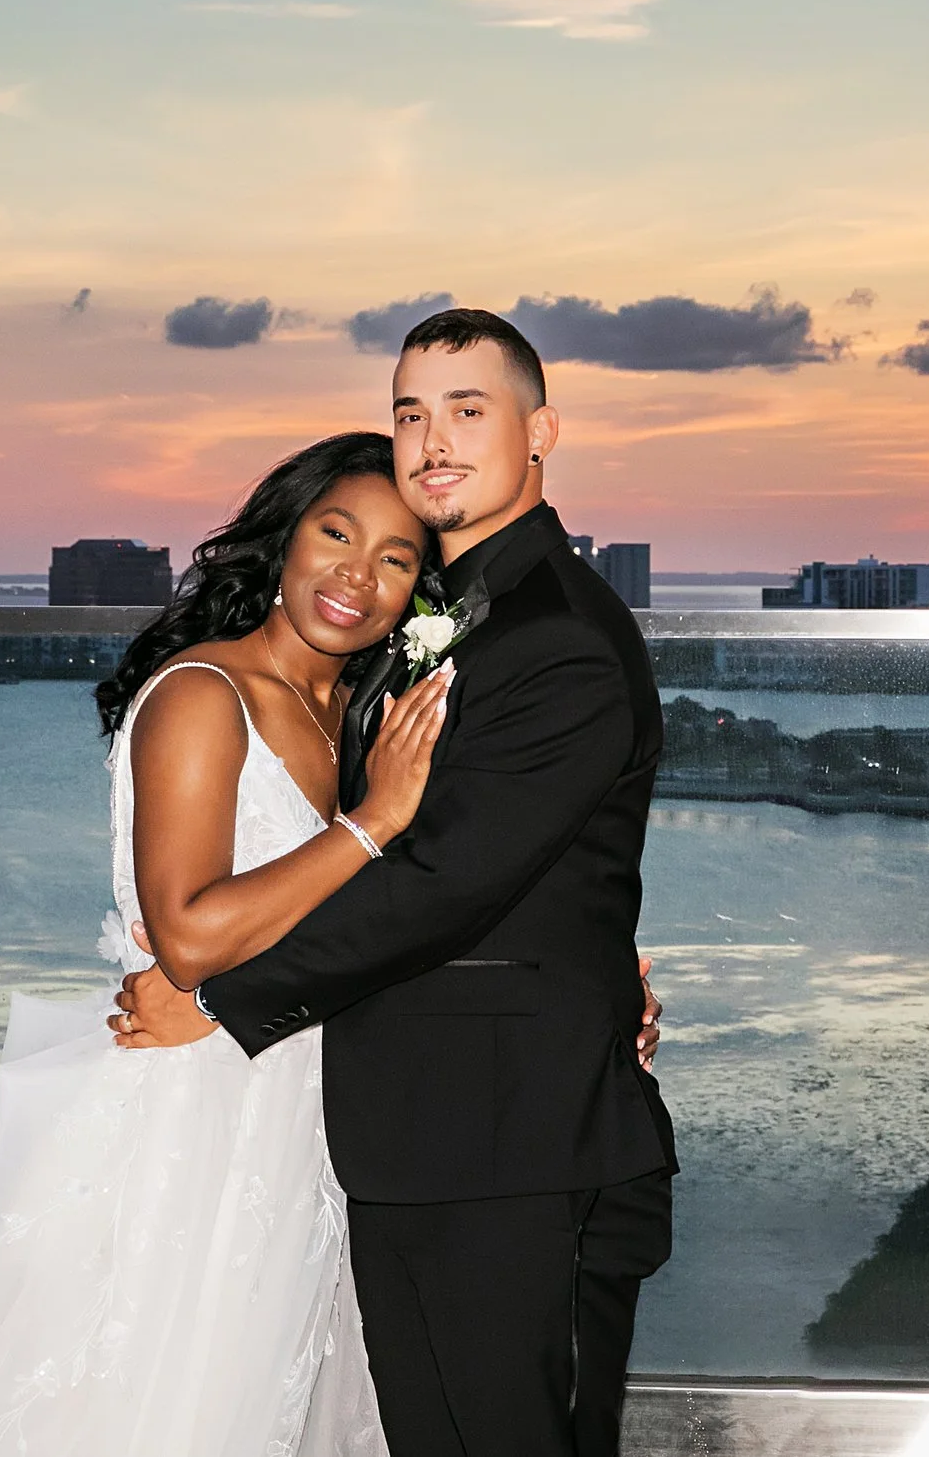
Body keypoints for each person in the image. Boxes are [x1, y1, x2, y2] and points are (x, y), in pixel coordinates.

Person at [115, 309, 678, 1457]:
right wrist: (594, 948)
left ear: (541, 433)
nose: (433, 440)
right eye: (411, 412)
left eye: (469, 411)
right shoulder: (435, 620)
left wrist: (223, 1004)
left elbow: (440, 880)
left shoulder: (555, 635)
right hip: (420, 1132)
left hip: (511, 1144)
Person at [0, 434, 456, 1457]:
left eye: (395, 557)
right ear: (283, 541)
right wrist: (371, 823)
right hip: (197, 1119)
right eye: (335, 533)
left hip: (311, 1106)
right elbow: (187, 933)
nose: (355, 575)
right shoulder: (204, 695)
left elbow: (392, 914)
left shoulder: (359, 717)